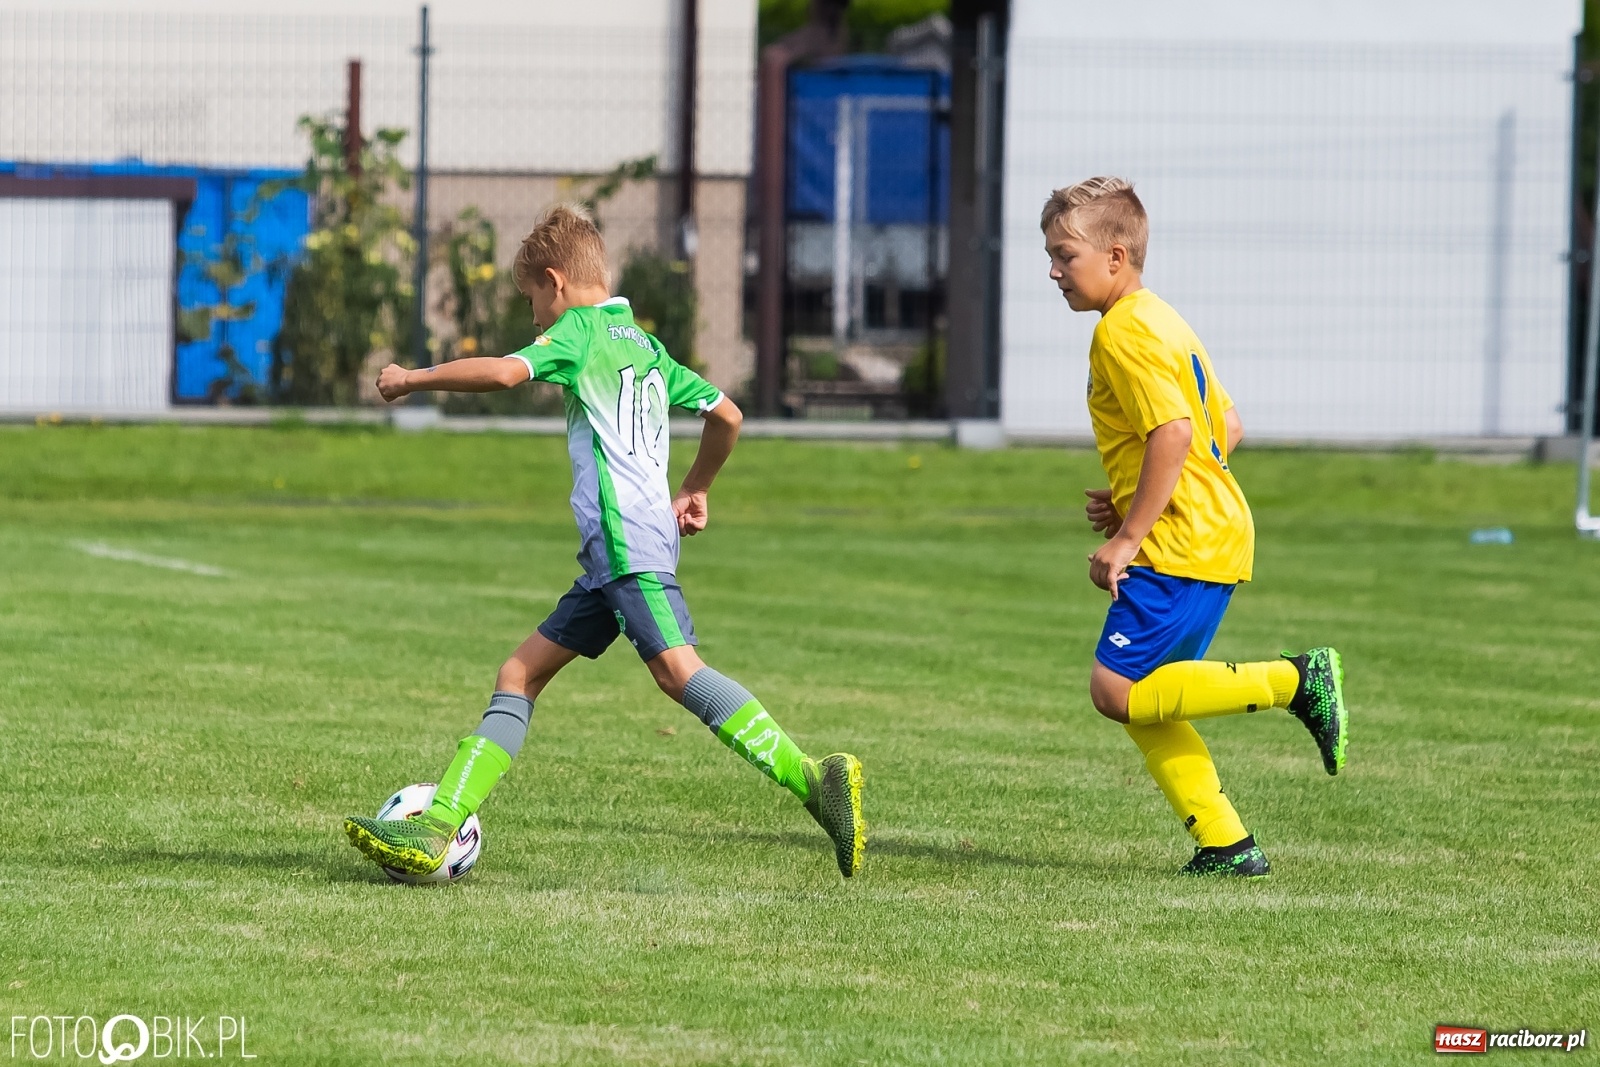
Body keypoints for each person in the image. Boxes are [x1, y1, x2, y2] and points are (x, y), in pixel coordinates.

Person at [342, 203, 865, 879]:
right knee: (519, 673)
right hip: (616, 553)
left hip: (626, 544)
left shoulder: (579, 333)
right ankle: (439, 823)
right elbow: (727, 414)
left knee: (679, 672)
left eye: (533, 300)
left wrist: (411, 379)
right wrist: (696, 487)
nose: (534, 319)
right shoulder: (645, 345)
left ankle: (813, 780)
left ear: (556, 282)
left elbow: (504, 374)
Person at [1042, 176, 1347, 877]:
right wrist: (1134, 503)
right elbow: (1225, 426)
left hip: (1181, 543)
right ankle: (1226, 842)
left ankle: (1297, 681)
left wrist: (1128, 535)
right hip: (1209, 529)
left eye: (1065, 254)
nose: (1053, 270)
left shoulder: (1121, 334)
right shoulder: (1163, 319)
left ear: (1116, 256)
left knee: (1114, 690)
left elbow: (1175, 433)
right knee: (1145, 697)